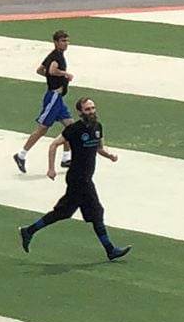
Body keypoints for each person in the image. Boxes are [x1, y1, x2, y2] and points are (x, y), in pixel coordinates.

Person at [17, 97, 131, 262]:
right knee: (96, 212)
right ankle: (110, 250)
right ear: (80, 112)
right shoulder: (74, 129)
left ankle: (29, 231)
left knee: (64, 212)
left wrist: (110, 156)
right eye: (87, 109)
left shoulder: (97, 127)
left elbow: (99, 148)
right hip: (78, 179)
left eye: (92, 108)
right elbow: (54, 145)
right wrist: (51, 168)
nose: (91, 112)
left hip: (86, 178)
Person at [14, 30, 74, 173]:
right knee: (42, 129)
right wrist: (64, 74)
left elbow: (40, 70)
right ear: (56, 42)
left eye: (67, 41)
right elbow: (52, 70)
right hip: (53, 97)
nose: (66, 43)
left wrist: (51, 77)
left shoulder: (53, 55)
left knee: (71, 127)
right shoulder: (56, 57)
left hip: (58, 99)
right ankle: (21, 155)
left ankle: (66, 158)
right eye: (63, 41)